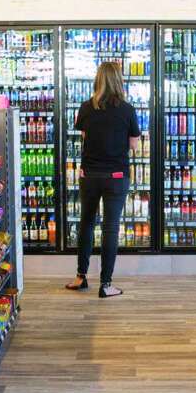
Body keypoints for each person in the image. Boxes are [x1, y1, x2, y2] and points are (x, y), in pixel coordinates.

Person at [65, 61, 140, 298]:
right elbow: (133, 144)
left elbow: (86, 138)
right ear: (119, 81)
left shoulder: (86, 107)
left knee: (86, 224)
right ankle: (106, 284)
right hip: (116, 177)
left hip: (90, 175)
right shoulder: (127, 110)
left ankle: (80, 276)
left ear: (97, 80)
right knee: (110, 229)